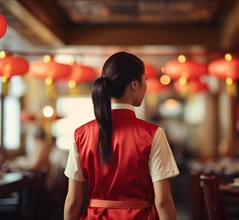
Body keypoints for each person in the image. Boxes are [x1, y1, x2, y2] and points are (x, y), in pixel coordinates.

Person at [64, 51, 180, 220]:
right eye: (145, 80)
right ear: (134, 83)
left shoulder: (81, 135)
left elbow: (73, 201)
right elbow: (162, 202)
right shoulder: (152, 134)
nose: (146, 85)